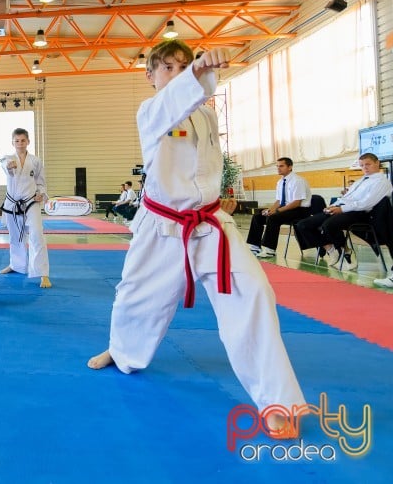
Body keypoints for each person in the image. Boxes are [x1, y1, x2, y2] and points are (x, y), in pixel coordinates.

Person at [87, 40, 305, 416]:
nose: (176, 73)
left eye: (182, 66)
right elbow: (174, 102)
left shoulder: (205, 116)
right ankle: (122, 352)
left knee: (254, 293)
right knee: (135, 296)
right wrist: (198, 70)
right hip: (161, 227)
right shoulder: (150, 112)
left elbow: (206, 158)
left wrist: (220, 195)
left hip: (209, 225)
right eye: (167, 68)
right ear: (150, 75)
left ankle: (280, 404)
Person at [295, 152, 391, 269]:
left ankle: (346, 252)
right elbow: (346, 198)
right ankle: (330, 249)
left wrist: (341, 209)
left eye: (368, 164)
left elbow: (366, 203)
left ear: (377, 163)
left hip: (360, 213)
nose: (365, 168)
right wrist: (332, 206)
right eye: (362, 165)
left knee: (329, 225)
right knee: (302, 225)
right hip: (344, 209)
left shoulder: (381, 181)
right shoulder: (361, 180)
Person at [0, 128, 51, 288]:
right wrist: (9, 166)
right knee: (15, 237)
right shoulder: (7, 158)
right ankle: (17, 265)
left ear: (28, 141)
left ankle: (42, 273)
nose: (20, 143)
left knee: (36, 235)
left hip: (31, 202)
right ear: (12, 142)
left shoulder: (36, 161)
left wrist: (41, 193)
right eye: (17, 141)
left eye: (23, 140)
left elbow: (41, 182)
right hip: (12, 204)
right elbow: (4, 166)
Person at [246, 157, 312, 258]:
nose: (278, 168)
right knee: (258, 216)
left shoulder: (298, 181)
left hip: (300, 210)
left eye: (281, 166)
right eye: (277, 166)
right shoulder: (280, 182)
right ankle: (255, 247)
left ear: (290, 167)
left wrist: (277, 211)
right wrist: (270, 210)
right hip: (285, 209)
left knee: (273, 218)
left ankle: (270, 250)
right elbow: (279, 201)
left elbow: (296, 203)